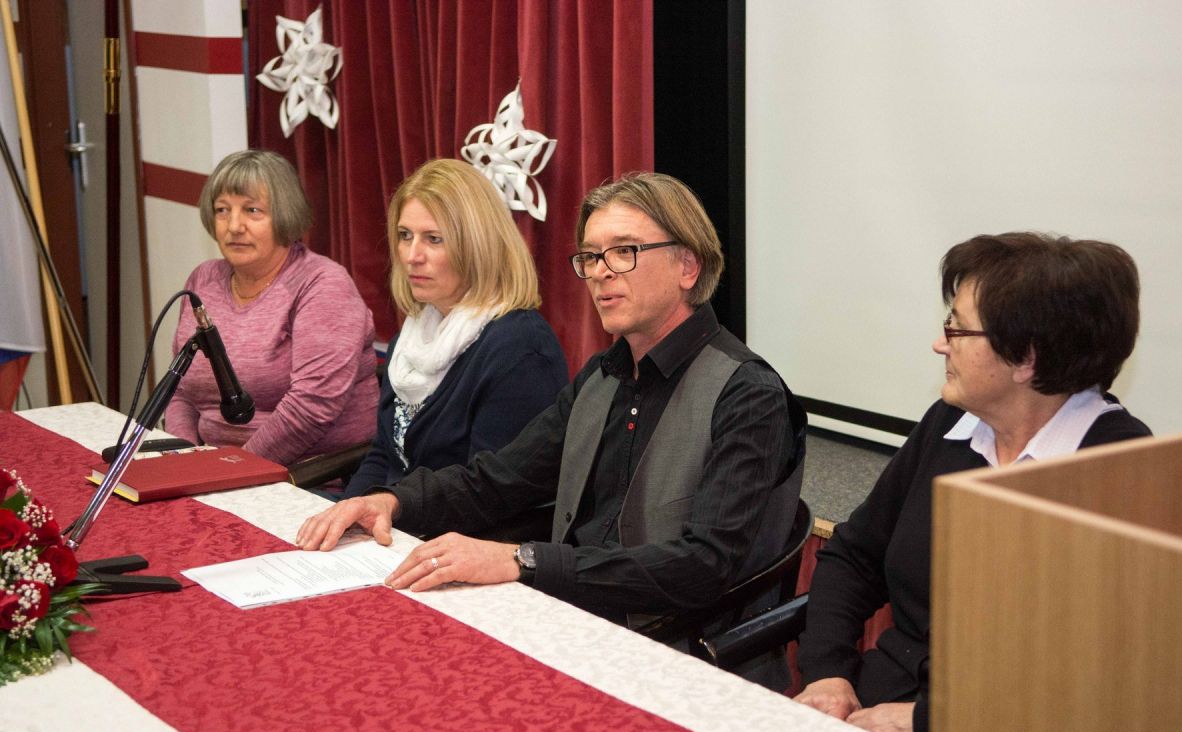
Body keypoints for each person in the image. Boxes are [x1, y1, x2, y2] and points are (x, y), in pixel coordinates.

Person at [297, 173, 804, 670]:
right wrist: (390, 501)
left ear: (687, 266)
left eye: (624, 251)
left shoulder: (747, 393)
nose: (601, 272)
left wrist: (522, 560)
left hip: (676, 654)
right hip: (567, 620)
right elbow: (498, 479)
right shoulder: (603, 376)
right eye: (591, 257)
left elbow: (703, 565)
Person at [793, 232, 1151, 732]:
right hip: (877, 709)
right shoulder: (948, 425)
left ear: (1026, 357)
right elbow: (855, 557)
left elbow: (1102, 672)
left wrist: (927, 725)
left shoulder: (1120, 471)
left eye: (957, 329)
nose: (940, 344)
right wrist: (828, 674)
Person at [341, 159, 567, 498]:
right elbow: (384, 457)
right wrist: (346, 511)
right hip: (398, 518)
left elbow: (491, 495)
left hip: (460, 527)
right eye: (405, 235)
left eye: (434, 239)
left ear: (478, 246)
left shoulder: (520, 348)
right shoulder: (412, 336)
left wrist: (390, 508)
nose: (412, 256)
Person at [165, 149, 378, 466]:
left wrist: (231, 470)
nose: (234, 226)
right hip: (211, 468)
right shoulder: (203, 279)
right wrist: (183, 458)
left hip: (305, 475)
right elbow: (179, 390)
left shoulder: (322, 285)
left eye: (252, 210)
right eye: (222, 210)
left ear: (284, 214)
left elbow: (311, 408)